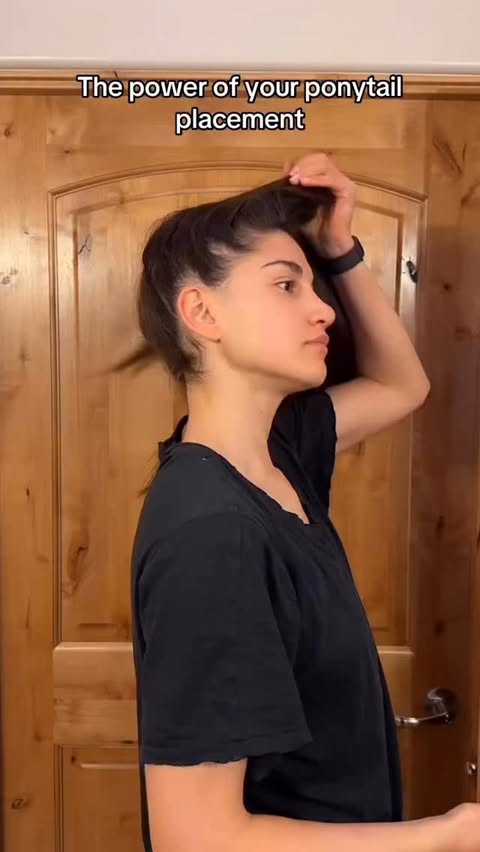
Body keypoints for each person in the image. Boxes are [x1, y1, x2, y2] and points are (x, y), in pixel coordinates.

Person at [129, 152, 480, 852]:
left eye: (312, 286)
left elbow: (402, 387)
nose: (322, 309)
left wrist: (338, 248)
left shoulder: (278, 450)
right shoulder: (213, 535)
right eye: (286, 285)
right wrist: (446, 836)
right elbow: (195, 838)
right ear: (201, 312)